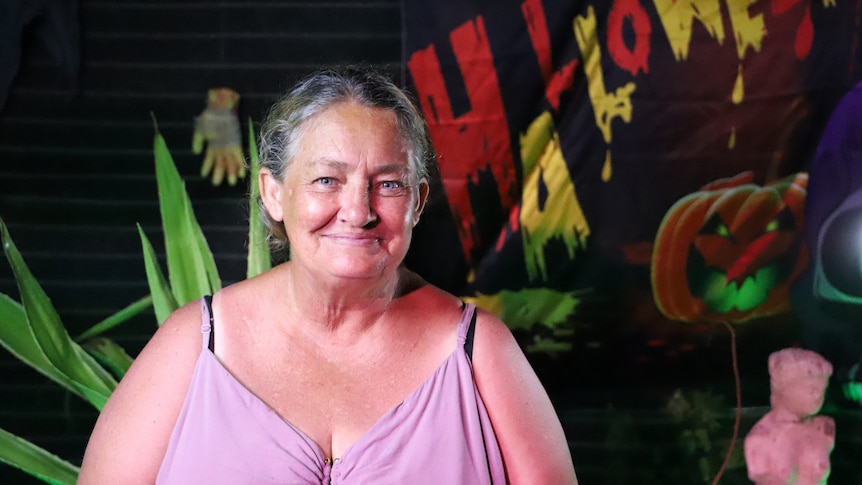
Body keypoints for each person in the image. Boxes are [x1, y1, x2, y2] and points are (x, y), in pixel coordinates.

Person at [78, 68, 578, 484]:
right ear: (274, 193)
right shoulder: (195, 344)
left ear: (418, 203)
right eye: (326, 180)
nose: (357, 211)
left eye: (388, 183)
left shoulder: (479, 351)